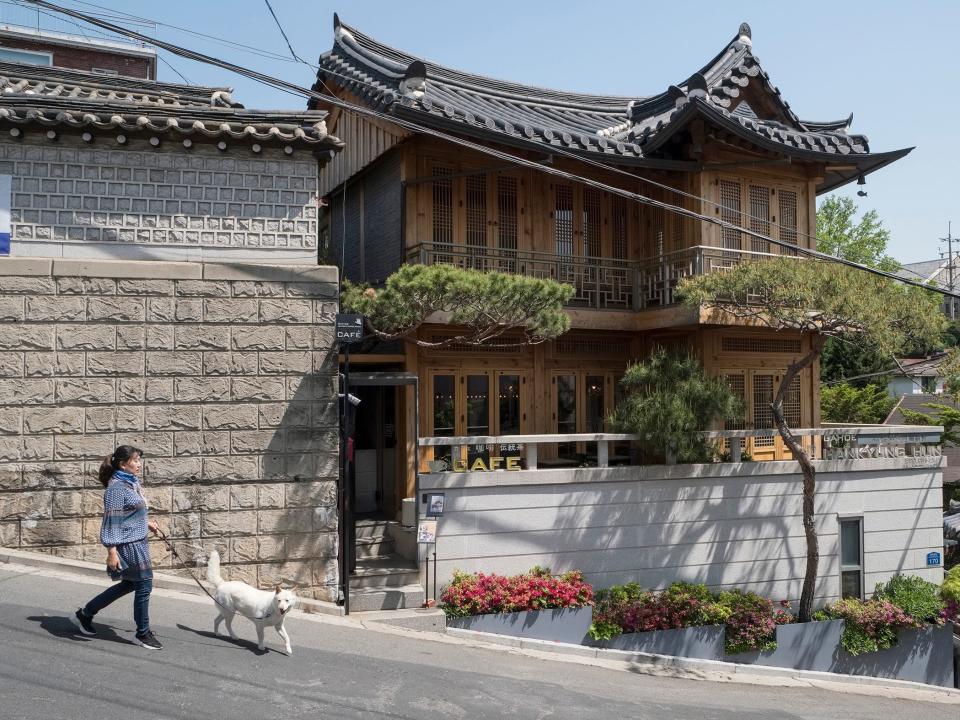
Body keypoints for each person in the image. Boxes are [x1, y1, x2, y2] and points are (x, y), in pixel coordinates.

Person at [72, 445, 163, 650]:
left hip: (138, 540)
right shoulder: (116, 488)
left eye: (139, 460)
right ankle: (142, 633)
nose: (139, 464)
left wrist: (146, 523)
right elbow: (111, 521)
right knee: (145, 585)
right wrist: (111, 552)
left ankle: (85, 614)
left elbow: (129, 512)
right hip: (128, 545)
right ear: (123, 464)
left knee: (130, 584)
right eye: (136, 460)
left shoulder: (130, 484)